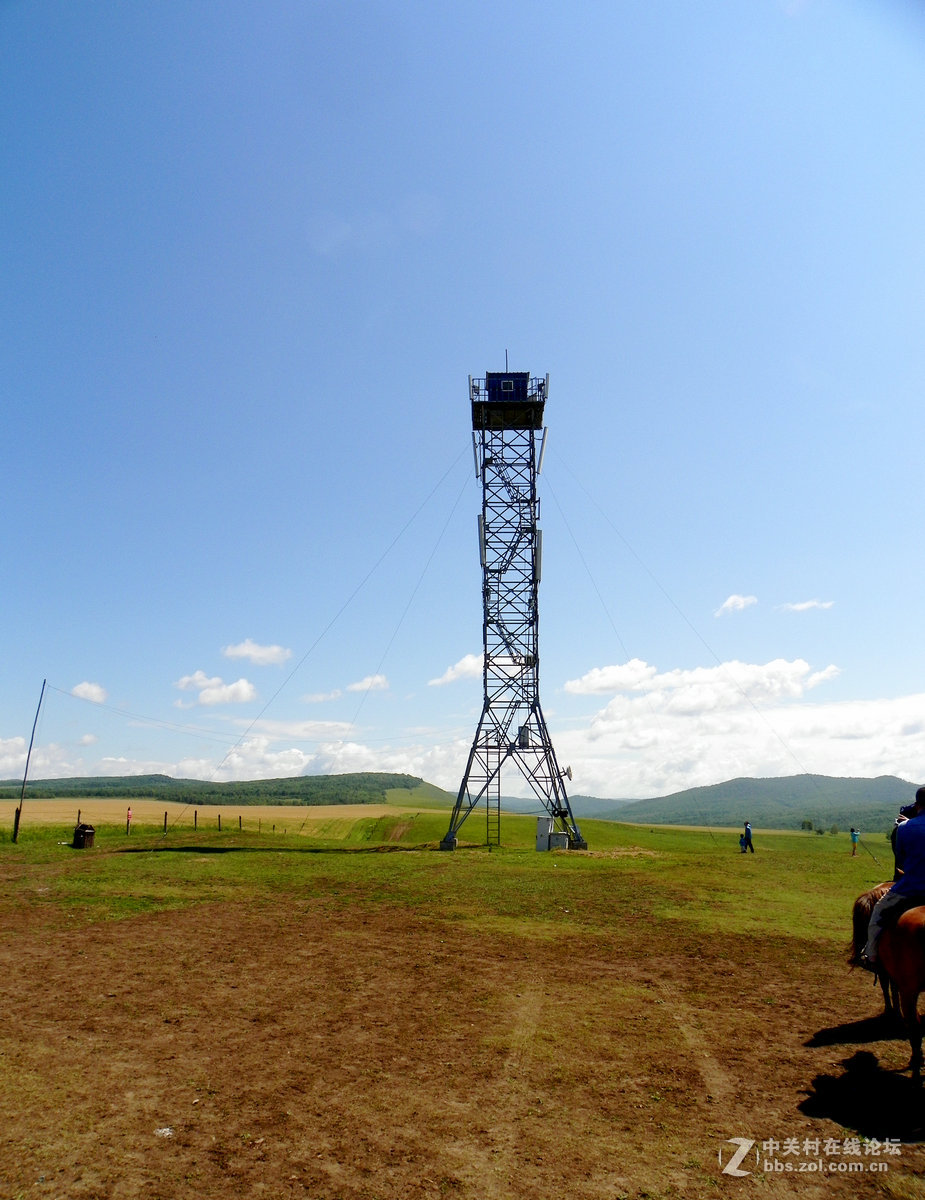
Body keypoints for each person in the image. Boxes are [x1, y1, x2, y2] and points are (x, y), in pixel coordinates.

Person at [861, 786, 925, 970]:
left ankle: (871, 956)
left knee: (878, 912)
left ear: (917, 805)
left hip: (910, 888)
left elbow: (901, 857)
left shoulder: (904, 828)